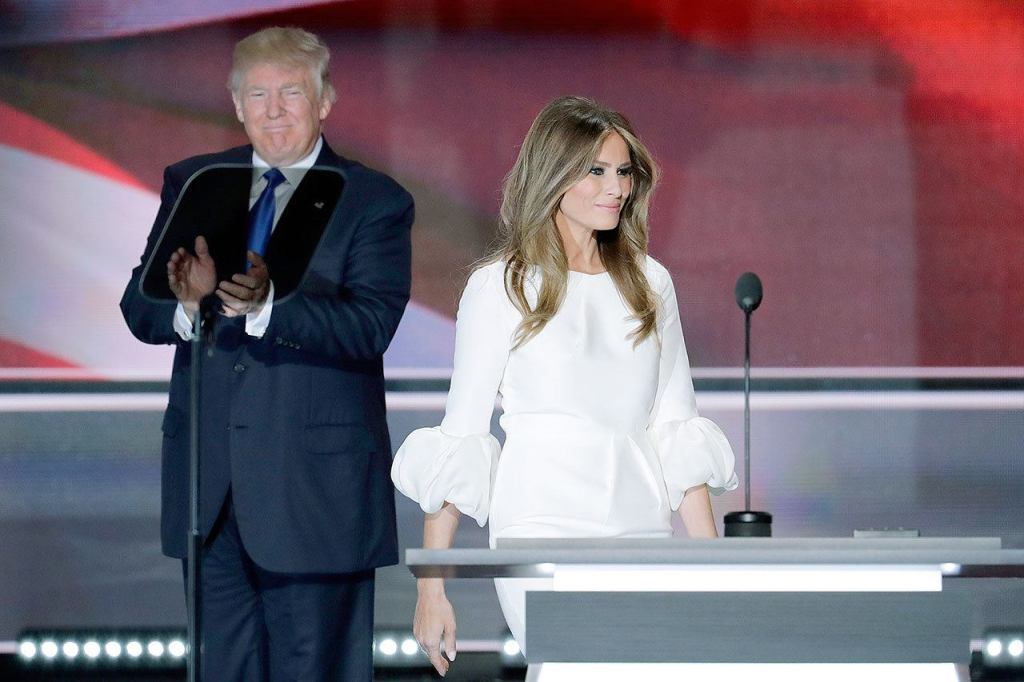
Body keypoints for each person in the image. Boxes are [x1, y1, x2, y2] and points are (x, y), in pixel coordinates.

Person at [390, 96, 738, 677]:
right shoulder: (500, 286)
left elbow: (678, 428)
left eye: (623, 172)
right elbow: (463, 437)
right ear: (553, 177)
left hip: (640, 524)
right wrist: (432, 589)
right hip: (540, 525)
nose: (616, 188)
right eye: (596, 171)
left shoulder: (652, 284)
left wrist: (713, 569)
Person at [120, 27, 413, 681]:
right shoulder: (197, 183)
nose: (274, 110)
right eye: (259, 94)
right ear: (236, 104)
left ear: (325, 101)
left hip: (316, 495)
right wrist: (191, 305)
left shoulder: (373, 200)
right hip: (212, 494)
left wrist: (266, 307)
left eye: (291, 93)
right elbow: (139, 310)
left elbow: (370, 326)